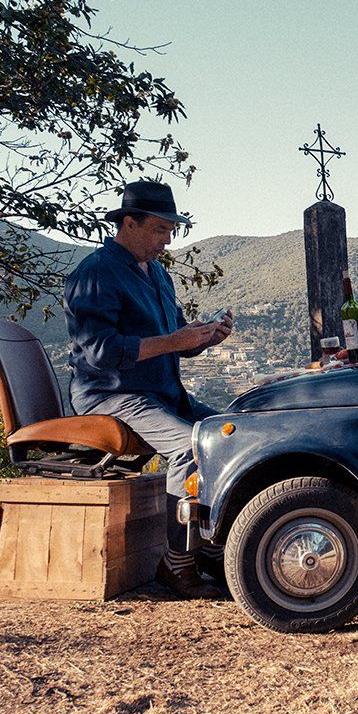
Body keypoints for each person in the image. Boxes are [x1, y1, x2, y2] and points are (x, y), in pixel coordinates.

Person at [64, 180, 233, 599]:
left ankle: (211, 546)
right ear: (128, 222)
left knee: (233, 435)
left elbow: (171, 342)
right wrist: (176, 341)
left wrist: (202, 337)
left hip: (160, 392)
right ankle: (176, 564)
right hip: (110, 396)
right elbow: (101, 352)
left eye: (171, 231)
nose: (166, 240)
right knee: (188, 448)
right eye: (159, 230)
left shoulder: (158, 274)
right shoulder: (96, 272)